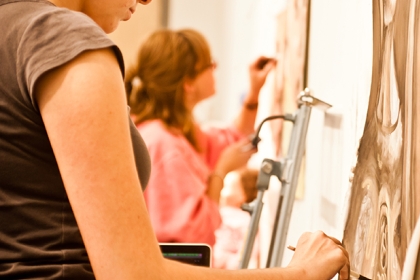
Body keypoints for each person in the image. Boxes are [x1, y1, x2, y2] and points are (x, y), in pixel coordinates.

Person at [0, 0, 349, 279]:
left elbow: (223, 139)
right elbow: (133, 273)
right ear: (186, 80)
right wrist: (299, 274)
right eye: (208, 65)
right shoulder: (63, 39)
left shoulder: (10, 26)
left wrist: (252, 98)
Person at [125, 28, 269, 247]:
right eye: (208, 64)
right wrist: (221, 171)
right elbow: (193, 236)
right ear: (188, 83)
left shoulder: (175, 133)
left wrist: (254, 93)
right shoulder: (163, 145)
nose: (214, 68)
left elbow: (233, 140)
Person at [214, 168, 260, 269]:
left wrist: (225, 260)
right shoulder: (217, 211)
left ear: (243, 195)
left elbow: (247, 253)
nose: (221, 192)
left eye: (227, 187)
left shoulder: (245, 221)